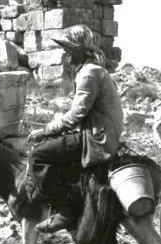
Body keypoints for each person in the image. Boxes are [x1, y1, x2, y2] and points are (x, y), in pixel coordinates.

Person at [26, 25, 124, 231]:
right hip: (98, 133)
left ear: (80, 49)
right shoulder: (92, 71)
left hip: (97, 139)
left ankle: (64, 212)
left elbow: (75, 116)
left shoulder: (88, 74)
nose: (64, 53)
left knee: (38, 155)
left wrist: (45, 130)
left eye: (68, 48)